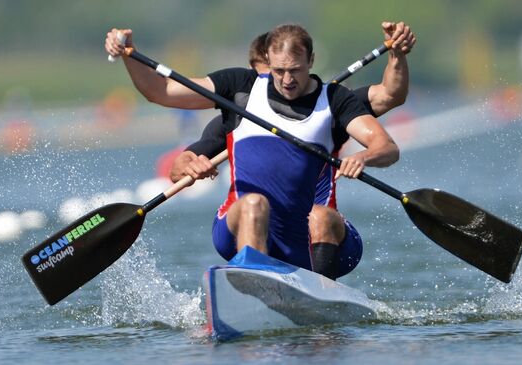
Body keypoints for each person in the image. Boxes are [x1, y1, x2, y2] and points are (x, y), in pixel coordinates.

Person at [105, 23, 401, 279]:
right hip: (242, 225)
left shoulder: (335, 100)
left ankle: (322, 293)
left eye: (295, 70)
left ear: (311, 60)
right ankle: (252, 284)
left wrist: (362, 157)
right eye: (278, 71)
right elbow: (162, 92)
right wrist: (130, 55)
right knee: (254, 204)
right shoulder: (239, 90)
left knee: (321, 216)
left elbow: (386, 145)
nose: (287, 80)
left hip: (310, 237)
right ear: (267, 63)